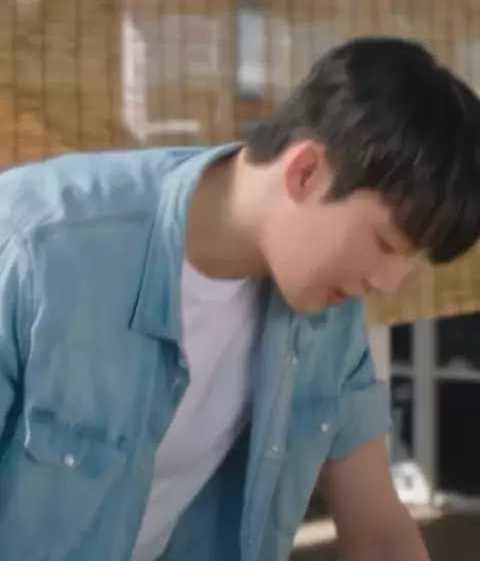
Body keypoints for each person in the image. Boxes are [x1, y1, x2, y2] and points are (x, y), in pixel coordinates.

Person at [0, 37, 479, 561]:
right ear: (304, 172)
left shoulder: (325, 310)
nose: (388, 282)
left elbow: (380, 534)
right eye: (385, 244)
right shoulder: (38, 250)